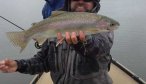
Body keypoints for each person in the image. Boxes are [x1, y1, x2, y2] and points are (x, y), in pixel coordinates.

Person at [0, 0, 114, 84]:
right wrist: (19, 65)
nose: (80, 1)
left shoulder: (102, 30)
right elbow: (43, 61)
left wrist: (82, 42)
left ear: (95, 2)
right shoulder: (53, 23)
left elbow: (98, 49)